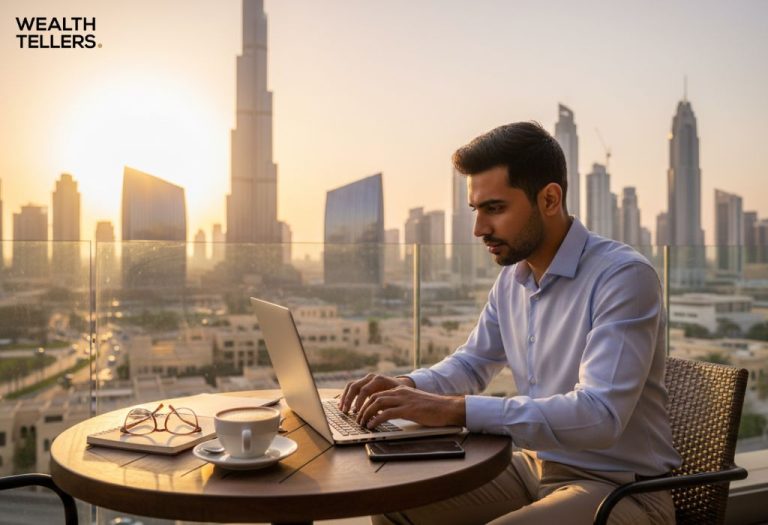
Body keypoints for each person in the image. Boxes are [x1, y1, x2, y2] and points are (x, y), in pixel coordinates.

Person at [339, 122, 680, 524]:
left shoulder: (623, 277)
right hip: (532, 468)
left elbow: (600, 416)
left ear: (550, 198)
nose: (479, 228)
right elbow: (472, 363)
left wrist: (455, 411)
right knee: (393, 504)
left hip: (621, 489)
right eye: (476, 210)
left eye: (495, 209)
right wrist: (408, 386)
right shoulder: (513, 279)